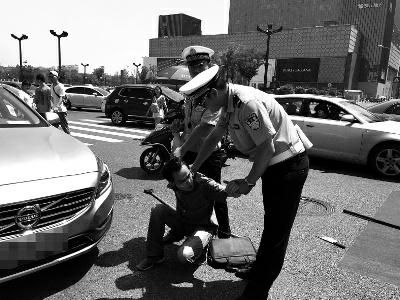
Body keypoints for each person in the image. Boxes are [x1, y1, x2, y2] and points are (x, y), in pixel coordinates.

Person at [179, 65, 309, 299]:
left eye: (202, 103)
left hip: (288, 167)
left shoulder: (245, 103)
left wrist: (248, 182)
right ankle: (258, 271)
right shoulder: (227, 104)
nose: (203, 108)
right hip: (274, 166)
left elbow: (267, 147)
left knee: (275, 235)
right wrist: (194, 167)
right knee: (270, 226)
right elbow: (214, 137)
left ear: (212, 95)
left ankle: (256, 294)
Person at [171, 45, 231, 239]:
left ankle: (224, 233)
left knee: (215, 193)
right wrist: (180, 124)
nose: (195, 69)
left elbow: (207, 126)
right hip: (189, 151)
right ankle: (181, 227)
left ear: (209, 65)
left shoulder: (214, 90)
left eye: (200, 65)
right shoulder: (190, 91)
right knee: (183, 190)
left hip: (209, 153)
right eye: (192, 66)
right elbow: (192, 122)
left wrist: (182, 148)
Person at [136, 157, 227, 271]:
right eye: (182, 181)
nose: (189, 181)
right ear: (172, 182)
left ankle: (203, 250)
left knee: (184, 255)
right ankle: (154, 256)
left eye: (189, 175)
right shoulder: (174, 184)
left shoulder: (204, 184)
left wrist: (243, 184)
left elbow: (225, 192)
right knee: (158, 210)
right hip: (184, 221)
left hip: (204, 227)